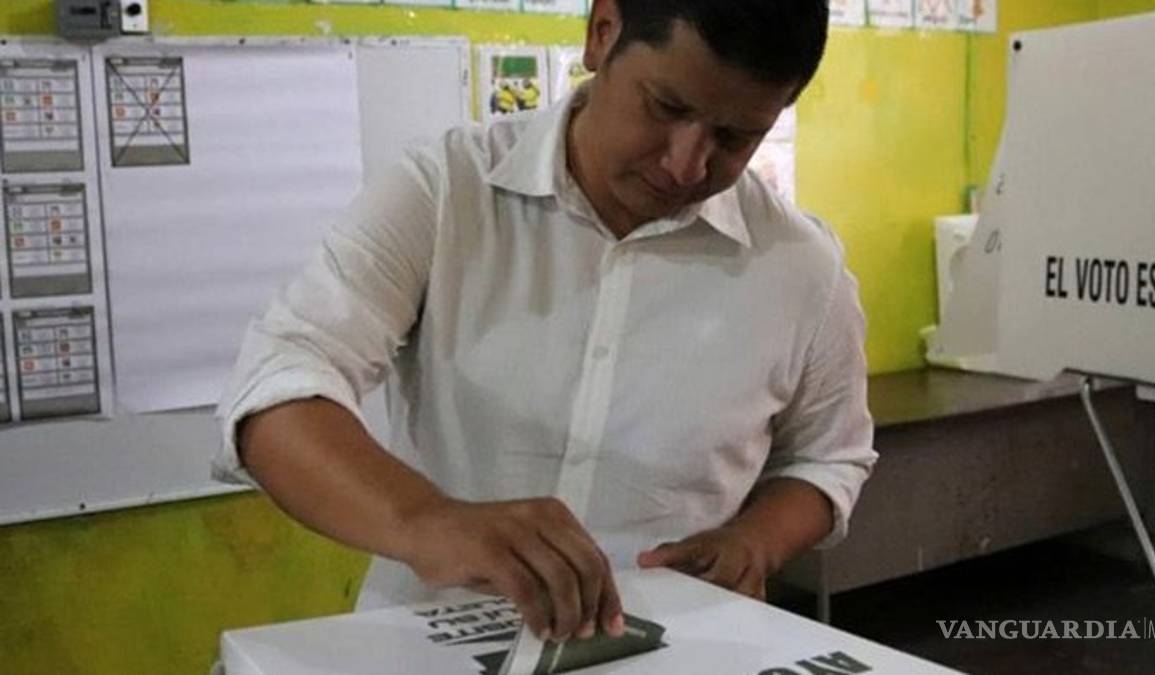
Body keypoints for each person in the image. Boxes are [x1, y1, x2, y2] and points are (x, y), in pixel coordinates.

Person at [214, 0, 876, 646]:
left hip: (671, 648)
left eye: (735, 137)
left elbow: (829, 457)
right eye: (666, 107)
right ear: (602, 32)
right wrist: (427, 521)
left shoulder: (800, 266)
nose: (687, 164)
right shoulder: (447, 192)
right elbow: (278, 383)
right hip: (429, 646)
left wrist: (756, 541)